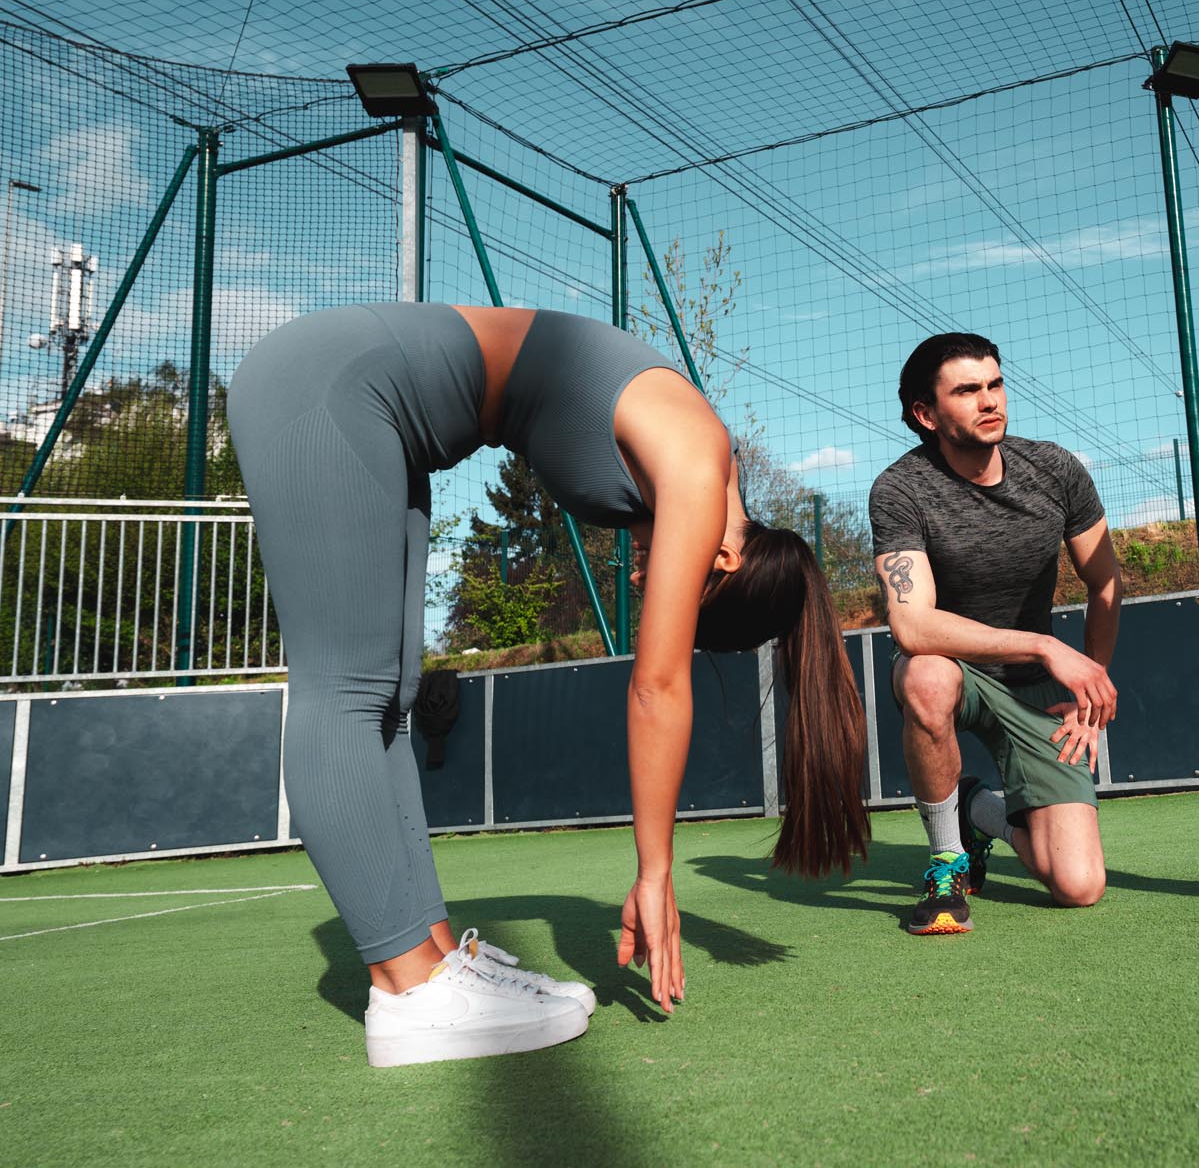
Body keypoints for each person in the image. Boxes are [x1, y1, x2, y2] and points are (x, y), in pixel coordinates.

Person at [229, 302, 868, 1065]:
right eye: (678, 584)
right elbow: (658, 684)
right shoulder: (699, 465)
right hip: (333, 385)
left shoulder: (703, 464)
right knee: (348, 686)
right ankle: (407, 990)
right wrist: (655, 871)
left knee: (392, 701)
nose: (644, 575)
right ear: (724, 565)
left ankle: (430, 955)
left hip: (376, 411)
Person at [868, 334, 1121, 934]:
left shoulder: (1055, 470)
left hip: (1034, 688)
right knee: (926, 673)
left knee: (1078, 886)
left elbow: (1105, 579)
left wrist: (1092, 686)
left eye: (995, 384)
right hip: (954, 672)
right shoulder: (900, 490)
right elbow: (912, 623)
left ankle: (981, 812)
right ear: (925, 415)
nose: (990, 401)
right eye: (967, 390)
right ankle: (946, 861)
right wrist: (1045, 643)